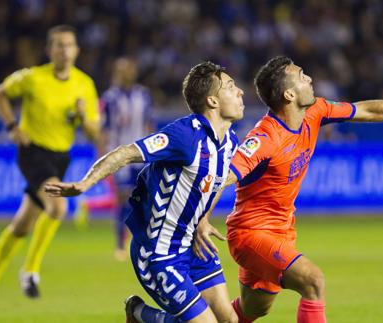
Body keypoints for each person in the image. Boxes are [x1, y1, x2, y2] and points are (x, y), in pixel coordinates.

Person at [195, 56, 383, 322]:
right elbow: (223, 175)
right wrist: (203, 219)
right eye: (302, 76)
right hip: (250, 234)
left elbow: (367, 110)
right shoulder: (264, 138)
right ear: (289, 94)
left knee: (249, 312)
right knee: (313, 281)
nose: (310, 79)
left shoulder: (316, 111)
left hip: (282, 231)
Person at [45, 61, 243, 323]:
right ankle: (140, 313)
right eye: (230, 87)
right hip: (159, 253)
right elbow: (125, 153)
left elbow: (216, 182)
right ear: (212, 102)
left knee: (229, 320)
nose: (240, 91)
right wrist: (84, 184)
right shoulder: (184, 136)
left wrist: (203, 219)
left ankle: (138, 316)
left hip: (194, 246)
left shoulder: (229, 142)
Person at [0, 25, 100, 298]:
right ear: (49, 50)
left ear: (76, 50)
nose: (64, 50)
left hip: (60, 157)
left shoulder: (84, 84)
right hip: (33, 152)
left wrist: (83, 117)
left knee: (22, 225)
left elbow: (93, 132)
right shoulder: (33, 78)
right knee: (57, 207)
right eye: (59, 45)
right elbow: (1, 93)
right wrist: (11, 126)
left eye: (69, 45)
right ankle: (30, 270)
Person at [78, 57, 153, 261]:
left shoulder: (143, 95)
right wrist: (104, 157)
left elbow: (149, 125)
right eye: (121, 70)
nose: (125, 73)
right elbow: (104, 130)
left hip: (142, 154)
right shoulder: (110, 98)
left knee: (145, 199)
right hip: (119, 155)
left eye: (128, 69)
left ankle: (141, 241)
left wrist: (155, 153)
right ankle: (120, 244)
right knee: (123, 198)